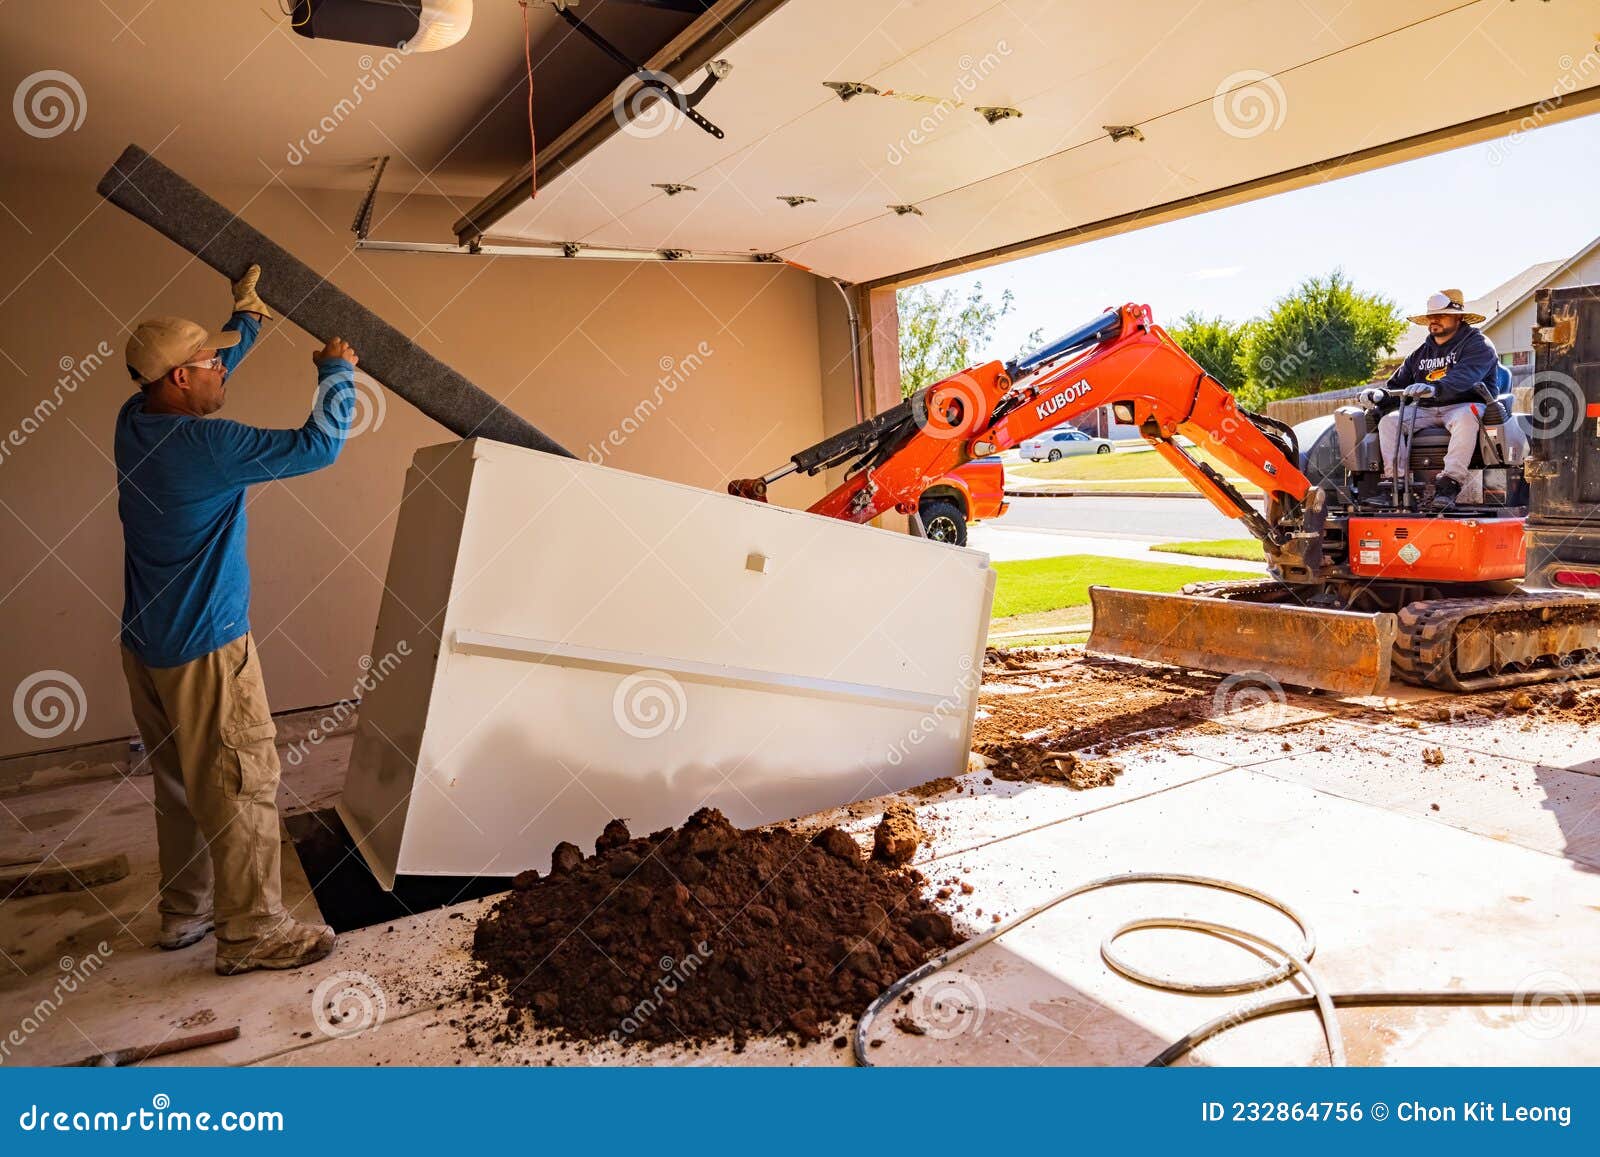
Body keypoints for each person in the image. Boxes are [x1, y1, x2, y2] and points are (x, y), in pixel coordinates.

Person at [116, 264, 358, 975]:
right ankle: (253, 931)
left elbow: (201, 383)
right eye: (211, 362)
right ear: (182, 381)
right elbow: (322, 445)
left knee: (181, 787)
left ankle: (183, 914)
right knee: (242, 777)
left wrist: (246, 324)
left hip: (147, 649)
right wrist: (338, 372)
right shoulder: (209, 448)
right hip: (207, 655)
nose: (223, 367)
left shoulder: (135, 421)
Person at [1364, 288, 1499, 511]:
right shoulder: (1419, 354)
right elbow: (1396, 386)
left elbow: (1465, 377)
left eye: (1441, 315)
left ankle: (1449, 485)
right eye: (1431, 316)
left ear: (1458, 317)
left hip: (1464, 405)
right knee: (1389, 420)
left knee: (1467, 416)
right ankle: (1395, 485)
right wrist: (1380, 396)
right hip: (1424, 410)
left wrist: (1434, 389)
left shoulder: (1478, 345)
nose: (1433, 320)